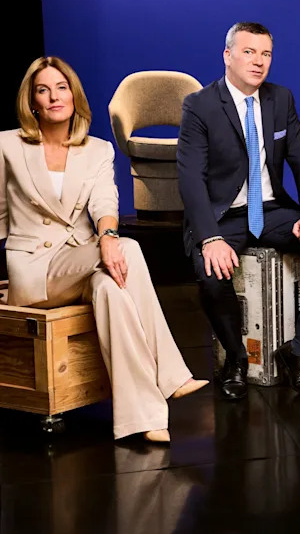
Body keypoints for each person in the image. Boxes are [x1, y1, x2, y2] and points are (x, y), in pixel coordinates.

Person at [0, 57, 207, 442]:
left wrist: (107, 236)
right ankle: (172, 374)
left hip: (83, 261)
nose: (54, 96)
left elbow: (104, 202)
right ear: (32, 102)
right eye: (43, 90)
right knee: (128, 249)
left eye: (61, 88)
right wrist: (110, 244)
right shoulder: (7, 145)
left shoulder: (97, 150)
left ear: (74, 96)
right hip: (35, 271)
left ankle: (143, 420)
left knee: (111, 288)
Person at [177, 22, 300, 402]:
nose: (258, 61)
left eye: (266, 53)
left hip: (270, 209)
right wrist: (210, 237)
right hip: (222, 216)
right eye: (249, 52)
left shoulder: (280, 99)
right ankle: (236, 359)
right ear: (228, 56)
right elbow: (190, 178)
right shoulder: (200, 105)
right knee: (211, 272)